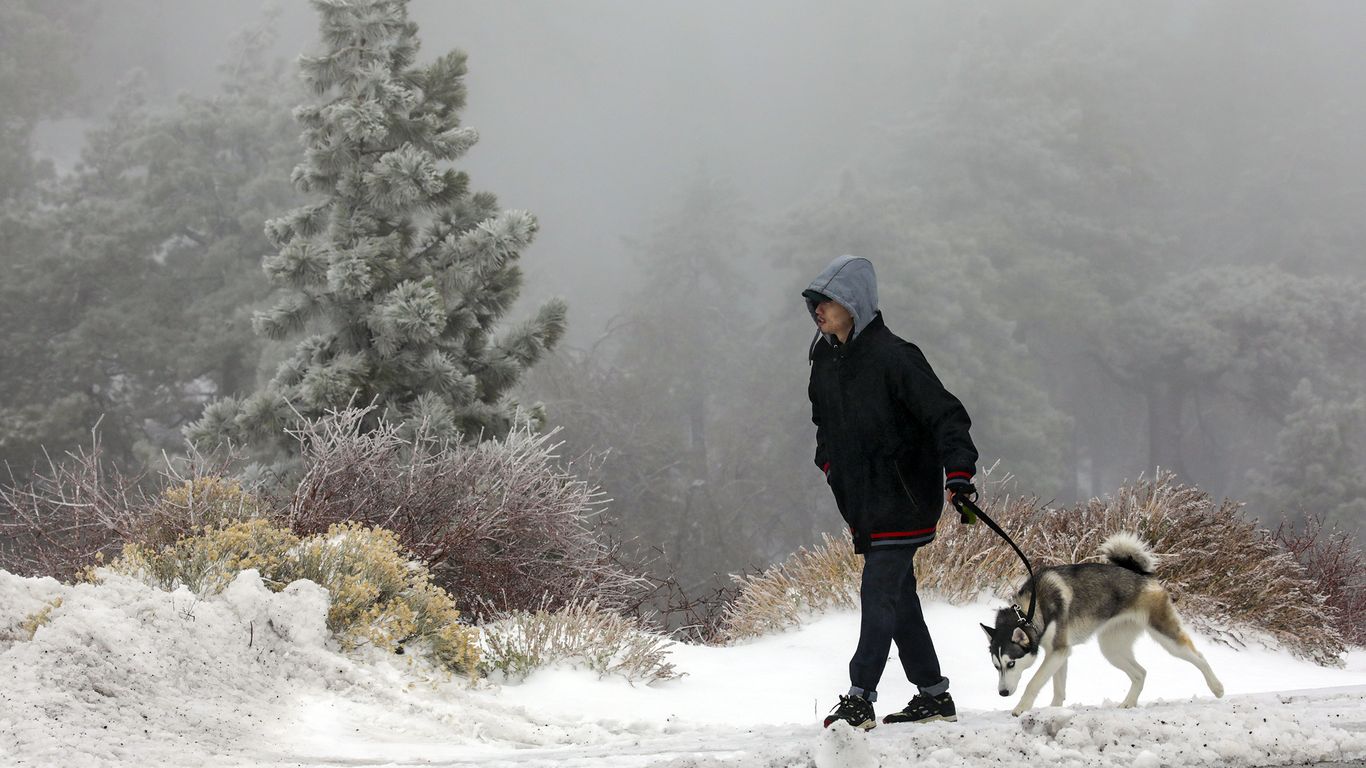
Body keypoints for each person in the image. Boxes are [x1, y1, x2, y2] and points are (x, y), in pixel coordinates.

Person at [803, 254, 979, 730]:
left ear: (854, 304)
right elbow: (823, 421)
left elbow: (947, 415)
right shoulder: (823, 358)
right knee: (900, 598)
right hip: (860, 500)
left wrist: (958, 474)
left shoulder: (897, 357)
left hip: (904, 495)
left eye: (828, 300)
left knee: (878, 589)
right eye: (814, 301)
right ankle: (934, 695)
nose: (818, 308)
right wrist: (829, 464)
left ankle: (860, 697)